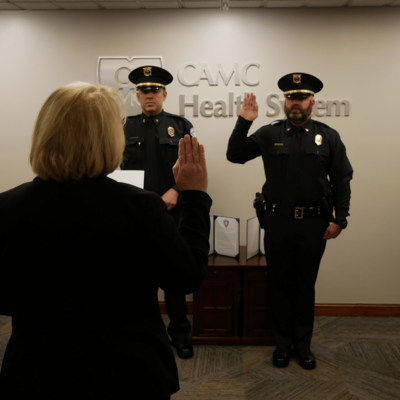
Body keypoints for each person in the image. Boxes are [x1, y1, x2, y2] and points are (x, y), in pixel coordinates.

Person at [0, 82, 211, 399]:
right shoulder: (140, 208)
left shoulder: (8, 208)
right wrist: (194, 196)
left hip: (37, 372)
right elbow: (186, 276)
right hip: (127, 374)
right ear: (110, 138)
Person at [227, 73, 353, 370]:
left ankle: (304, 346)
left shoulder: (329, 136)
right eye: (290, 97)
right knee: (280, 284)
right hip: (278, 222)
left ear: (312, 101)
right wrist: (244, 121)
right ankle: (282, 345)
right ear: (285, 101)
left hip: (314, 224)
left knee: (305, 285)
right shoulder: (270, 133)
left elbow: (342, 179)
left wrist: (341, 219)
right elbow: (235, 155)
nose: (295, 102)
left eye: (301, 97)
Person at [120, 66, 197, 359]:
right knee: (137, 281)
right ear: (137, 96)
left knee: (174, 277)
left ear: (164, 94)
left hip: (172, 213)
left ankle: (180, 335)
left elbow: (192, 165)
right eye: (144, 91)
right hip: (135, 215)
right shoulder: (124, 127)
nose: (149, 95)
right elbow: (113, 169)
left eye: (155, 90)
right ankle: (143, 336)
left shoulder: (180, 125)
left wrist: (176, 190)